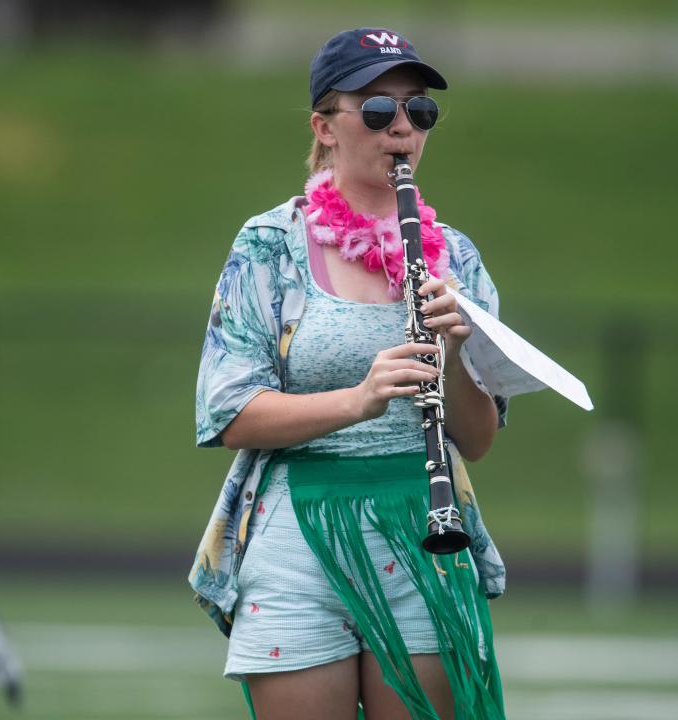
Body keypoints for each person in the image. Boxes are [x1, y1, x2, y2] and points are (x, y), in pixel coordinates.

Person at [190, 27, 508, 720]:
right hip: (296, 531)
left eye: (418, 111)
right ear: (324, 127)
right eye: (375, 110)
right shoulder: (268, 245)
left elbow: (477, 439)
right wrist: (357, 400)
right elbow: (228, 413)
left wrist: (452, 353)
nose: (401, 127)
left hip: (424, 526)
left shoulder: (454, 255)